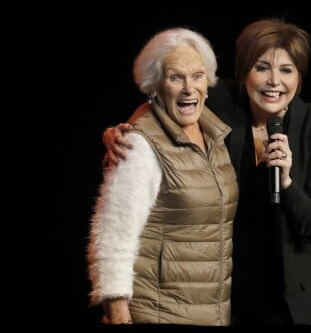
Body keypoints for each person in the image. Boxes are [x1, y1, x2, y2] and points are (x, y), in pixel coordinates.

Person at [102, 18, 311, 326]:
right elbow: (164, 100)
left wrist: (288, 182)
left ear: (299, 78)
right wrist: (123, 131)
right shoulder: (221, 103)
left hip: (291, 300)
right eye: (261, 67)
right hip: (225, 295)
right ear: (243, 74)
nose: (273, 81)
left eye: (286, 70)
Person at [87, 27, 238, 325]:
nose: (188, 88)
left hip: (211, 313)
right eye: (175, 77)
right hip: (157, 312)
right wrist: (118, 317)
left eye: (197, 76)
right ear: (155, 85)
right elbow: (113, 238)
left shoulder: (214, 133)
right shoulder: (140, 145)